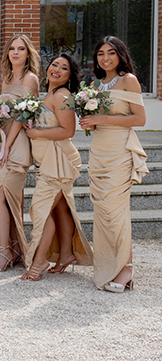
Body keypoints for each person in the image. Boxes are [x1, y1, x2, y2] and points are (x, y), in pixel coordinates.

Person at [80, 36, 148, 292]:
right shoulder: (97, 84)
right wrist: (90, 121)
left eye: (111, 52)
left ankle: (127, 269)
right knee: (103, 212)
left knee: (116, 211)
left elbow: (139, 119)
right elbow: (100, 117)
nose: (105, 58)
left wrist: (102, 118)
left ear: (120, 54)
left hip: (119, 151)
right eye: (100, 53)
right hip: (99, 151)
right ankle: (110, 265)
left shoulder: (128, 80)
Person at [21, 54, 93, 281]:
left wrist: (36, 133)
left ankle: (40, 260)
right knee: (60, 208)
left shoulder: (62, 95)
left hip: (58, 161)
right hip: (47, 160)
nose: (57, 70)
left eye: (64, 68)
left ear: (69, 75)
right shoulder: (50, 94)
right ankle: (66, 254)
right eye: (54, 65)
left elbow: (67, 130)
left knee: (40, 209)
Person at [0, 35, 39, 272]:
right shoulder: (7, 78)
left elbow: (23, 115)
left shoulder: (31, 79)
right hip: (5, 141)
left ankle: (4, 252)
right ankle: (17, 248)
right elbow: (5, 112)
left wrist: (7, 146)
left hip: (17, 145)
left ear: (28, 54)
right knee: (12, 200)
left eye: (21, 49)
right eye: (12, 49)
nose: (16, 52)